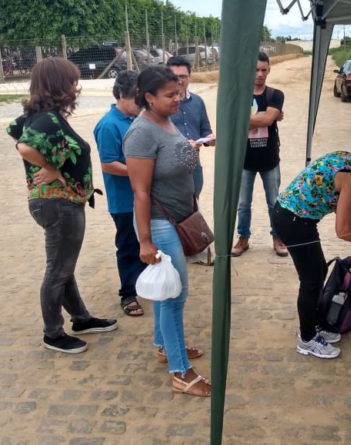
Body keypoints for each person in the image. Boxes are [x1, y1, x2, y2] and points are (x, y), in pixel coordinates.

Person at [7, 57, 118, 354]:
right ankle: (53, 334)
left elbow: (14, 130)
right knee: (57, 271)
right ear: (58, 84)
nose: (76, 86)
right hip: (59, 204)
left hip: (56, 203)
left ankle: (81, 318)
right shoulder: (48, 119)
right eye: (72, 80)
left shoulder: (40, 115)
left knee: (64, 267)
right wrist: (51, 168)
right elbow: (24, 145)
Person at [124, 65, 211, 397]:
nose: (178, 99)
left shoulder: (167, 120)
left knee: (167, 288)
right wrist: (145, 240)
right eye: (170, 95)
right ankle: (180, 372)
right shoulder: (141, 133)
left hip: (178, 216)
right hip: (160, 224)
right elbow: (141, 192)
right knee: (176, 295)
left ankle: (164, 345)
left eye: (179, 92)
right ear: (148, 97)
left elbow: (179, 167)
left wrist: (193, 150)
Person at [272, 142, 351, 359]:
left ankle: (312, 326)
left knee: (319, 272)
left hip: (293, 217)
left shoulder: (349, 161)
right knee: (311, 281)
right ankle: (307, 339)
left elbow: (348, 218)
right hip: (294, 221)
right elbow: (344, 231)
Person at [93, 71, 146, 317]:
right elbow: (108, 163)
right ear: (123, 95)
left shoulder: (138, 119)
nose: (141, 104)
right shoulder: (108, 125)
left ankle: (144, 283)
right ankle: (128, 293)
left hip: (142, 195)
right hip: (124, 200)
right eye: (138, 99)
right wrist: (139, 173)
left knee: (145, 242)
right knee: (127, 245)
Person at [232, 51, 287, 258]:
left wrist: (242, 119)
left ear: (269, 70)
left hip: (269, 160)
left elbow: (266, 121)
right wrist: (266, 116)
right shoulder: (239, 94)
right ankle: (243, 238)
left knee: (274, 202)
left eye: (264, 70)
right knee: (243, 204)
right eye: (256, 70)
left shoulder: (275, 94)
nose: (260, 74)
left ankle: (278, 237)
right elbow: (266, 118)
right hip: (244, 161)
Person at [166, 56, 216, 266]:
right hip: (169, 167)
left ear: (190, 76)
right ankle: (177, 251)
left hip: (193, 165)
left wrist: (209, 138)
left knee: (193, 205)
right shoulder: (162, 104)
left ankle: (191, 247)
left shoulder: (198, 102)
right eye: (174, 77)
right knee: (172, 208)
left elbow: (205, 128)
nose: (179, 81)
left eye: (183, 76)